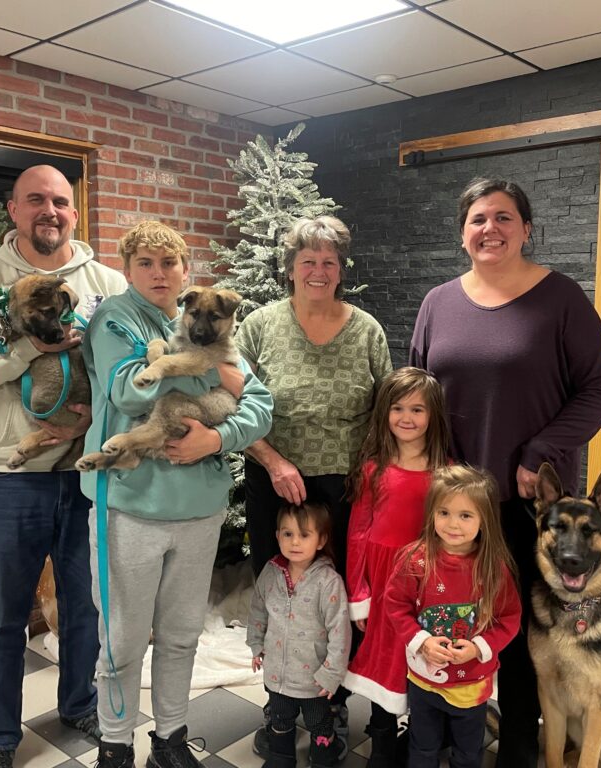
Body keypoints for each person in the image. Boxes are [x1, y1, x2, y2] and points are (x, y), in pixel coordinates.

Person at [409, 178, 601, 768]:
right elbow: (418, 392)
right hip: (453, 508)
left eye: (504, 218)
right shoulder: (437, 303)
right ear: (462, 232)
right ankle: (450, 732)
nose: (490, 229)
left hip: (527, 505)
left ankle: (522, 751)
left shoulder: (560, 298)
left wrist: (542, 448)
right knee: (447, 616)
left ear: (527, 229)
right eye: (478, 219)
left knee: (524, 635)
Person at [0, 165, 128, 768]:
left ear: (75, 212)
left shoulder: (107, 282)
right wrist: (26, 350)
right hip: (7, 478)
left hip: (84, 472)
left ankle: (79, 703)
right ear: (13, 210)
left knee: (86, 604)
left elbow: (120, 372)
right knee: (1, 618)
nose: (51, 210)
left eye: (61, 202)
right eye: (36, 200)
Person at [81, 221, 273, 768]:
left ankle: (169, 737)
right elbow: (129, 389)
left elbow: (259, 405)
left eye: (169, 263)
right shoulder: (115, 318)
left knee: (182, 634)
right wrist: (218, 374)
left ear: (186, 271)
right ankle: (115, 745)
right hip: (131, 504)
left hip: (200, 509)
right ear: (129, 268)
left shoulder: (203, 326)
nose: (159, 273)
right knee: (122, 639)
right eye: (146, 263)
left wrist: (217, 435)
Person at [236, 215, 393, 748]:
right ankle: (279, 700)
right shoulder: (258, 326)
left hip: (346, 493)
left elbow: (385, 414)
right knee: (280, 596)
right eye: (309, 261)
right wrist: (275, 461)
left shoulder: (367, 329)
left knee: (337, 600)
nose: (319, 271)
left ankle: (330, 705)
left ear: (341, 269)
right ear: (290, 268)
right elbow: (230, 404)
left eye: (329, 261)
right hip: (273, 485)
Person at [342, 368, 450, 765]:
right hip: (383, 581)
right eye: (398, 408)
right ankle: (383, 743)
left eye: (417, 409)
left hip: (428, 583)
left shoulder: (447, 471)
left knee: (425, 662)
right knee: (384, 663)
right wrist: (360, 593)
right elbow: (357, 533)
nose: (407, 417)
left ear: (433, 415)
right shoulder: (373, 468)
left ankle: (424, 743)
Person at [385, 466, 521, 768]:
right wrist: (421, 642)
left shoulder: (493, 568)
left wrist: (478, 648)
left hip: (471, 684)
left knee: (469, 752)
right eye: (444, 512)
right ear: (432, 512)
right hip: (423, 679)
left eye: (465, 515)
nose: (453, 524)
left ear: (484, 520)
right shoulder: (414, 559)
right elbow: (396, 605)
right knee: (422, 747)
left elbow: (509, 618)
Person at [247, 502, 352, 768]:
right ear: (277, 536)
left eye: (304, 535)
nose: (295, 542)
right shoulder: (270, 573)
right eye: (287, 534)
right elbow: (258, 609)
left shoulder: (328, 581)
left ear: (321, 540)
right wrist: (256, 644)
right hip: (278, 673)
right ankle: (282, 757)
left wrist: (332, 672)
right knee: (280, 718)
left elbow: (340, 630)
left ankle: (323, 757)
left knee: (319, 721)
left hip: (314, 676)